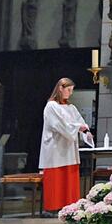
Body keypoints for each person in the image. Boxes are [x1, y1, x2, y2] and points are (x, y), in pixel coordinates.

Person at [39, 78, 91, 213]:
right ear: (60, 88)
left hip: (69, 149)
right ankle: (53, 207)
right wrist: (78, 128)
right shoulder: (51, 106)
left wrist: (86, 131)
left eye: (72, 90)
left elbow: (81, 122)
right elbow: (59, 125)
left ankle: (70, 206)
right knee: (57, 179)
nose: (70, 93)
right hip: (55, 149)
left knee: (70, 177)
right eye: (68, 90)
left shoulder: (71, 107)